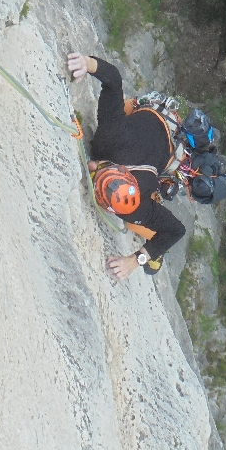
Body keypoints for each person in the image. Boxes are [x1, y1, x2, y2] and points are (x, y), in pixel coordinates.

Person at [68, 52, 186, 281]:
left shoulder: (137, 206)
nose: (91, 165)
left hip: (170, 143)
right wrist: (86, 63)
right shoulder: (111, 136)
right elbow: (112, 79)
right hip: (155, 117)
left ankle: (156, 255)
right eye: (98, 170)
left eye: (93, 171)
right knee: (123, 108)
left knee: (135, 223)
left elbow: (176, 231)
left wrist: (135, 260)